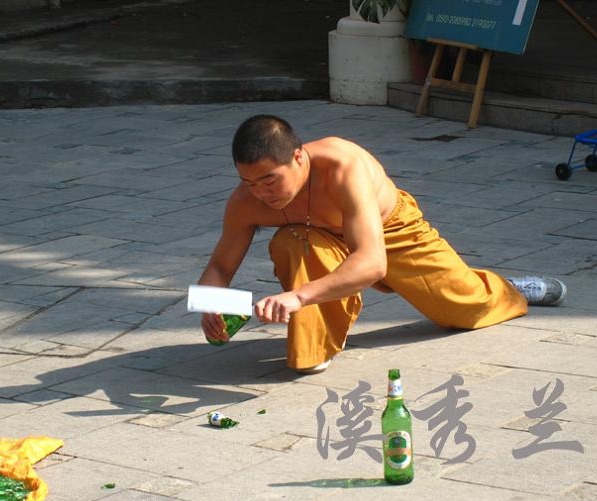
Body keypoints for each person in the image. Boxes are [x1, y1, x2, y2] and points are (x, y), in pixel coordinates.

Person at [197, 115, 566, 374]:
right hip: (319, 238)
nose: (261, 193)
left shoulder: (342, 166)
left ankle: (503, 288)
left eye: (269, 181)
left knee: (463, 311)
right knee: (292, 243)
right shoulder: (246, 201)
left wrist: (297, 297)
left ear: (297, 157)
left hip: (391, 231)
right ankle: (314, 347)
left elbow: (372, 262)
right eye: (249, 183)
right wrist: (211, 304)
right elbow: (220, 266)